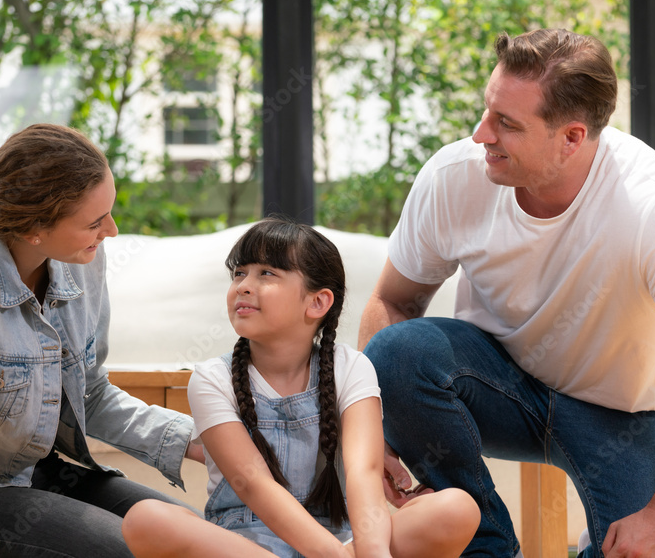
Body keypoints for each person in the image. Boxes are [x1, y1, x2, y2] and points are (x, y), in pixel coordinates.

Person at [358, 28, 655, 558]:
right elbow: (392, 301)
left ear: (572, 137)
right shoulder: (456, 176)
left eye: (507, 124)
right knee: (398, 352)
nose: (482, 134)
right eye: (487, 111)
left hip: (625, 415)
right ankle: (487, 545)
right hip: (496, 388)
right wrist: (376, 434)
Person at [0, 123, 204, 557]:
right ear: (33, 229)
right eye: (95, 222)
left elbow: (91, 393)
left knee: (194, 541)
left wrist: (200, 442)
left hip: (28, 472)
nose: (113, 231)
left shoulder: (80, 257)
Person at [122, 218, 481, 558]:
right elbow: (251, 483)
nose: (244, 285)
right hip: (245, 545)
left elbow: (364, 472)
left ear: (317, 302)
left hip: (342, 538)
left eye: (267, 273)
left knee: (456, 508)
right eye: (239, 273)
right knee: (147, 519)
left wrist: (372, 552)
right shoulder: (211, 378)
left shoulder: (352, 368)